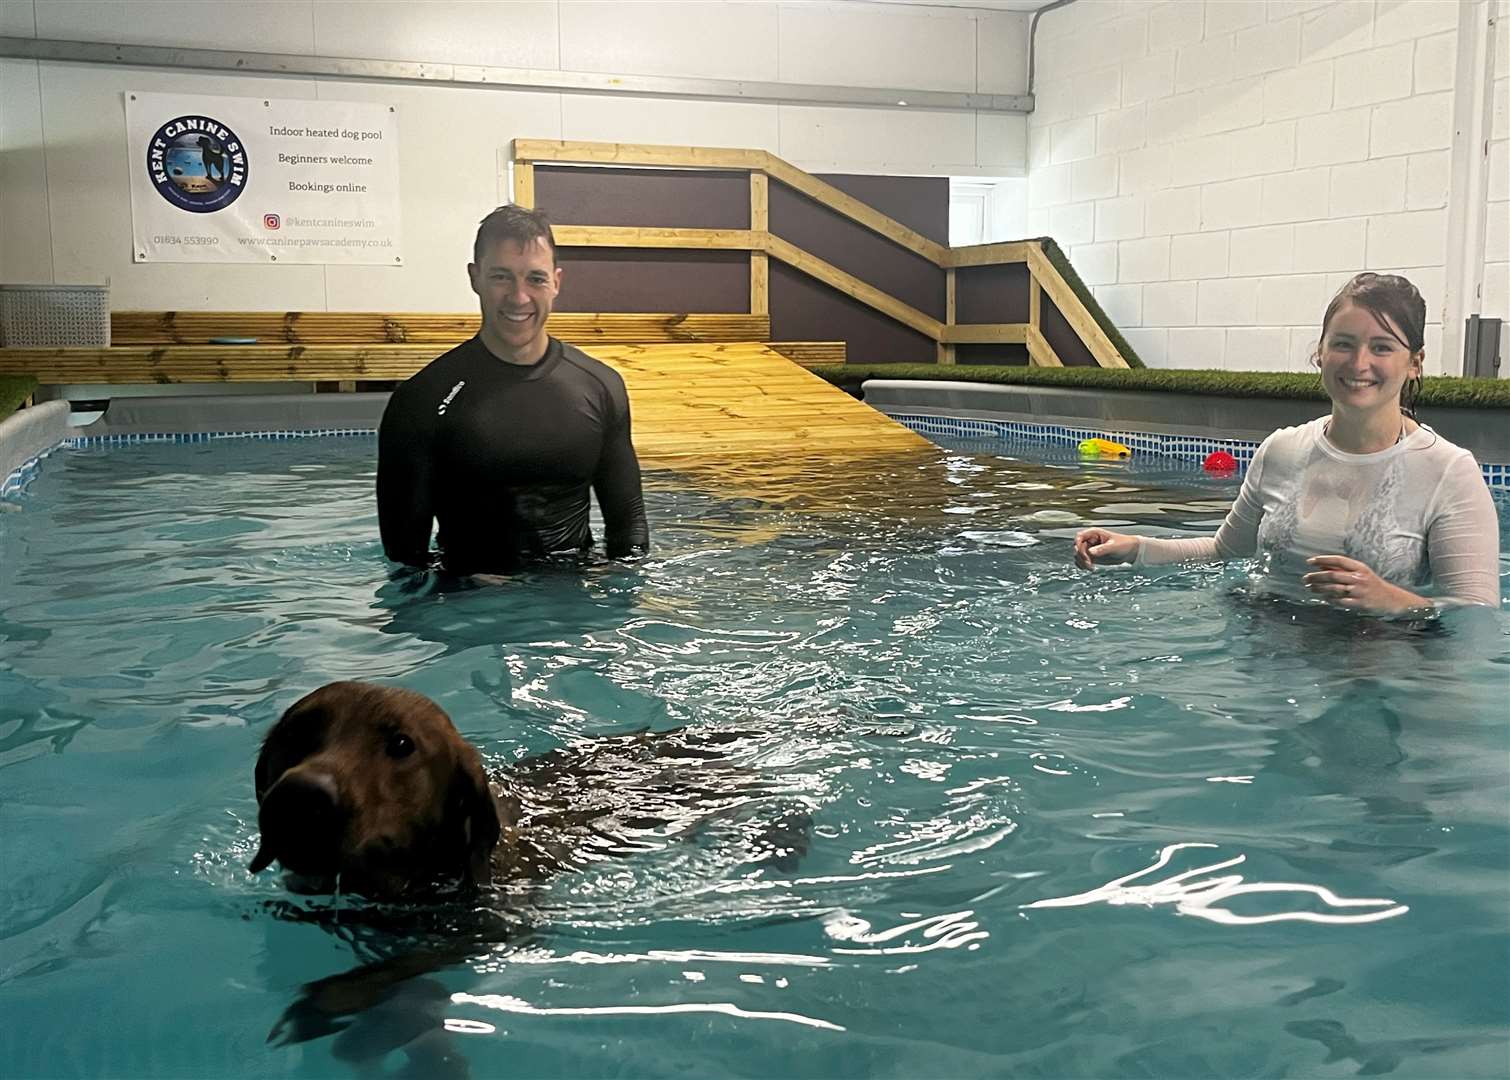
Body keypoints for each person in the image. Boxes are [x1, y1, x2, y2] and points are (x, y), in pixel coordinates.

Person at [1073, 273, 1500, 614]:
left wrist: (1397, 602)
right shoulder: (1282, 450)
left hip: (1374, 676)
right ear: (1321, 352)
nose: (1359, 363)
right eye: (1343, 344)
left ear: (1414, 363)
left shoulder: (1448, 472)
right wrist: (1136, 548)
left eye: (1382, 347)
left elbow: (1477, 613)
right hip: (1268, 669)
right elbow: (1222, 551)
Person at [377, 205, 649, 574]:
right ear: (475, 277)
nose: (519, 297)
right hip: (469, 606)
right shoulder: (421, 400)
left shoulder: (600, 387)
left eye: (535, 279)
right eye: (501, 277)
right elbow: (404, 558)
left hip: (576, 603)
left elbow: (629, 532)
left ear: (556, 282)